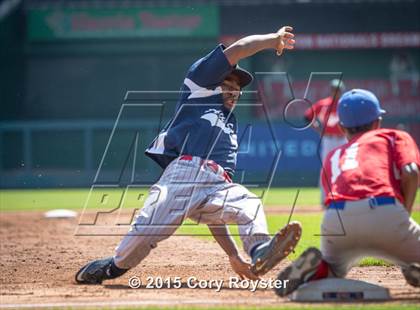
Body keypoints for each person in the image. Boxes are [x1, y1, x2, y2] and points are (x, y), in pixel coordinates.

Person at [75, 26, 302, 285]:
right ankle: (112, 268)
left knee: (249, 204)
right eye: (227, 83)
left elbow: (213, 217)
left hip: (217, 184)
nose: (234, 91)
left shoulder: (230, 126)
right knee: (144, 236)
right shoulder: (199, 86)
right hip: (182, 176)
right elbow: (239, 49)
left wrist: (233, 255)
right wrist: (271, 40)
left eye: (237, 88)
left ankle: (259, 250)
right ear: (213, 80)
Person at [276, 89, 420, 296]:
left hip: (337, 219)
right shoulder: (393, 136)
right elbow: (411, 172)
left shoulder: (334, 154)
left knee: (334, 269)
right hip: (385, 211)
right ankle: (412, 265)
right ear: (378, 122)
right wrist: (403, 215)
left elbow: (329, 197)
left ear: (342, 127)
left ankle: (319, 269)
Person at [304, 79, 347, 205]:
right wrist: (318, 129)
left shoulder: (345, 104)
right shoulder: (324, 104)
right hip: (328, 139)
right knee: (326, 167)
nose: (336, 91)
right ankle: (324, 200)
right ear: (331, 90)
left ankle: (344, 197)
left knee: (344, 168)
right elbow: (307, 117)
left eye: (338, 89)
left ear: (341, 90)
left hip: (343, 139)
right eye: (334, 89)